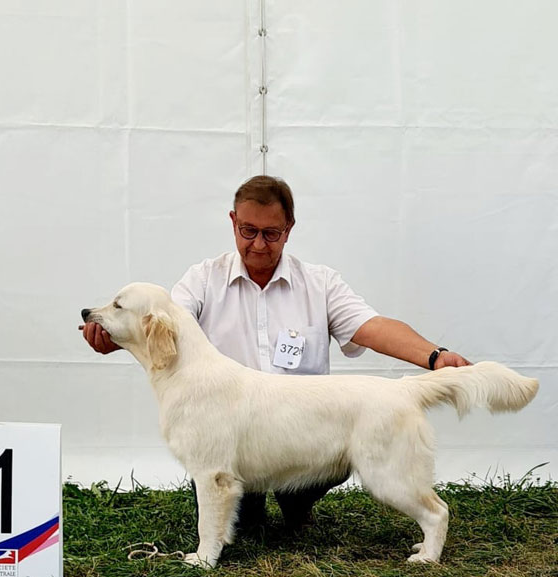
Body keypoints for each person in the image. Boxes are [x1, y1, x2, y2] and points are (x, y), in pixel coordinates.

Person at [81, 175, 471, 533]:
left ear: (289, 230)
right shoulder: (202, 279)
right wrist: (111, 335)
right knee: (242, 519)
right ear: (233, 222)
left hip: (306, 433)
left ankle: (296, 501)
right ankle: (250, 507)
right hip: (234, 436)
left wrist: (434, 357)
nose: (258, 244)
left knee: (314, 461)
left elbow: (372, 328)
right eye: (248, 231)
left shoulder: (319, 283)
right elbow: (159, 325)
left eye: (271, 233)